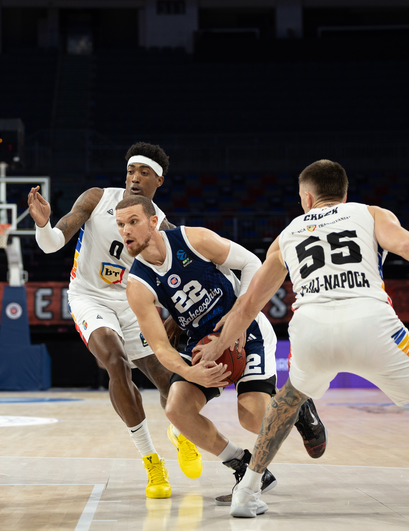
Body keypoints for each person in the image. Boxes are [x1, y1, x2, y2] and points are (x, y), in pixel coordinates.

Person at [207, 160, 409, 525]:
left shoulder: (287, 234)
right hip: (370, 324)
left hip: (311, 330)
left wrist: (217, 346)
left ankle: (246, 491)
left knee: (288, 401)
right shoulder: (369, 213)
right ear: (343, 194)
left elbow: (248, 305)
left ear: (307, 198)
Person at [116, 195, 326, 507]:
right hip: (202, 343)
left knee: (253, 419)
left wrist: (240, 321)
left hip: (248, 332)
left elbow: (253, 263)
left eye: (132, 222)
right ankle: (242, 465)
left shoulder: (193, 238)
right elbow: (159, 346)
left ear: (153, 221)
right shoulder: (137, 284)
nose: (125, 231)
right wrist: (190, 371)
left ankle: (298, 409)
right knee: (176, 410)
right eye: (120, 225)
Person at [27, 142, 198, 499]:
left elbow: (178, 279)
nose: (135, 178)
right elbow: (52, 243)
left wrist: (177, 320)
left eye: (144, 173)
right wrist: (44, 225)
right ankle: (151, 460)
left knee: (167, 376)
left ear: (159, 181)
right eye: (131, 171)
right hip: (90, 297)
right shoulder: (96, 198)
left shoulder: (162, 226)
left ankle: (180, 431)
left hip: (133, 302)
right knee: (116, 363)